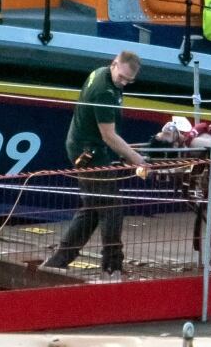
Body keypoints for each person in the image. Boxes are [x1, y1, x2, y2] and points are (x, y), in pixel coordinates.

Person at [42, 51, 150, 280]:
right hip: (89, 152)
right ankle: (112, 264)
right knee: (111, 208)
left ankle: (59, 259)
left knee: (92, 208)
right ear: (114, 65)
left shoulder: (100, 73)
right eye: (122, 78)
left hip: (85, 144)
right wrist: (136, 159)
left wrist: (125, 151)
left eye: (129, 81)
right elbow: (109, 136)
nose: (124, 83)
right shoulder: (104, 91)